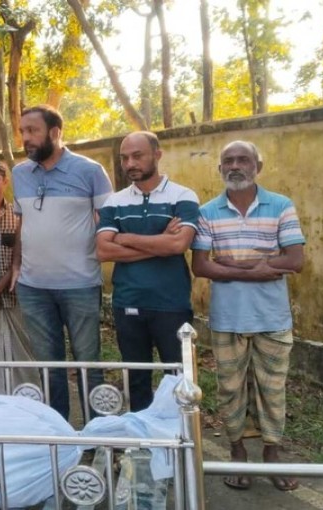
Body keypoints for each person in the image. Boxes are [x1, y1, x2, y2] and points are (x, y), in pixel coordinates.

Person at [191, 140, 305, 492]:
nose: (235, 165)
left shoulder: (281, 206)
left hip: (273, 318)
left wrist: (232, 264)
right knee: (230, 390)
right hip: (227, 319)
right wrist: (258, 267)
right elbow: (201, 266)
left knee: (273, 390)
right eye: (228, 160)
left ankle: (272, 451)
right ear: (220, 169)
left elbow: (295, 261)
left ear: (259, 165)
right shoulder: (207, 212)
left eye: (243, 159)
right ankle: (237, 451)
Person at [11, 104, 114, 420]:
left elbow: (108, 224)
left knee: (87, 363)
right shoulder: (19, 173)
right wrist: (16, 267)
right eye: (23, 132)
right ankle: (59, 433)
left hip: (80, 286)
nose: (26, 138)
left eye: (33, 131)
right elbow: (21, 224)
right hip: (33, 288)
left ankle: (98, 435)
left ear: (55, 132)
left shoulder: (90, 171)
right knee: (49, 366)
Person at [96, 132, 200, 411]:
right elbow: (103, 251)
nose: (130, 163)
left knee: (177, 376)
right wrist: (160, 242)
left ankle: (178, 441)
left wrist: (124, 237)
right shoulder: (113, 202)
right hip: (128, 301)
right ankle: (142, 441)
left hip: (171, 303)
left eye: (137, 155)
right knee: (136, 378)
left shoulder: (183, 196)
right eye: (124, 157)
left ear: (157, 154)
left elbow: (179, 243)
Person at [0, 159, 39, 393]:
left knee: (21, 362)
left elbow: (22, 258)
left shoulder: (19, 216)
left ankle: (26, 405)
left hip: (14, 301)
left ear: (5, 182)